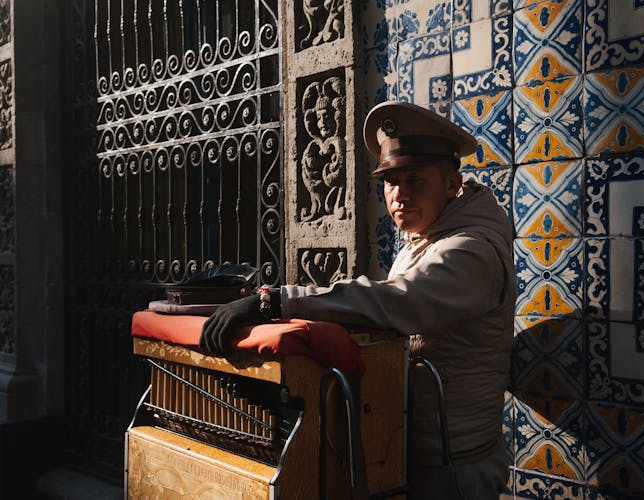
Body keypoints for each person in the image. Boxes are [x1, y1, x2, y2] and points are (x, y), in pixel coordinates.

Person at [200, 101, 515, 499]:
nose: (398, 195)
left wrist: (275, 301)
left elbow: (397, 302)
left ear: (452, 185)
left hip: (452, 467)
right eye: (390, 182)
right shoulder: (426, 240)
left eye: (415, 180)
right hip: (410, 452)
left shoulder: (471, 251)